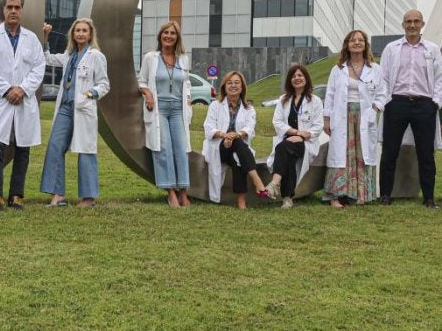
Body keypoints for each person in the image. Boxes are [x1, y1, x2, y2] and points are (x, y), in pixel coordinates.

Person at [0, 0, 45, 212]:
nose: (13, 11)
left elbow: (38, 67)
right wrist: (7, 90)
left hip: (23, 101)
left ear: (22, 10)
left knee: (22, 149)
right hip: (1, 101)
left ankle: (16, 195)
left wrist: (23, 89)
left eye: (17, 7)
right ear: (3, 10)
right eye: (9, 7)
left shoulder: (31, 39)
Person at [377, 9, 442, 208]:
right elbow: (384, 77)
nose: (412, 25)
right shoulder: (392, 48)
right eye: (408, 21)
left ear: (422, 24)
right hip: (396, 102)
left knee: (426, 153)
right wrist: (387, 100)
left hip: (424, 105)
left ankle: (429, 197)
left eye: (416, 21)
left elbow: (439, 79)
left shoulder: (432, 49)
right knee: (390, 152)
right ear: (403, 25)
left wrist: (436, 103)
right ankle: (385, 195)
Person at [40, 18, 110, 207]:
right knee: (55, 145)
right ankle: (58, 195)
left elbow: (104, 84)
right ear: (72, 34)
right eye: (77, 30)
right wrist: (45, 37)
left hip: (83, 107)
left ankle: (88, 197)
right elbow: (48, 59)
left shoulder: (96, 56)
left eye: (84, 31)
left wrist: (91, 93)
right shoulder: (69, 56)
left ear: (90, 34)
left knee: (86, 149)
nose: (80, 33)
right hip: (65, 107)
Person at [321, 30, 385, 208]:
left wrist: (374, 109)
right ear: (347, 45)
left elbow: (382, 94)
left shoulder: (375, 69)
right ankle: (336, 195)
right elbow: (330, 95)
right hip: (342, 116)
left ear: (365, 44)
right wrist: (327, 119)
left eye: (360, 40)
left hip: (365, 117)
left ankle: (361, 193)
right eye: (353, 40)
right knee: (342, 154)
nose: (357, 43)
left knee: (361, 154)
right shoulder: (338, 69)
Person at [138, 21, 193, 207]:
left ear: (177, 38)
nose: (169, 36)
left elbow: (186, 83)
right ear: (160, 36)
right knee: (164, 149)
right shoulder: (151, 58)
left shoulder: (183, 59)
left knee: (181, 149)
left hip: (178, 110)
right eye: (165, 33)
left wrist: (188, 98)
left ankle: (184, 192)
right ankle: (170, 192)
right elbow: (142, 81)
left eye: (173, 33)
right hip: (158, 109)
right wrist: (148, 94)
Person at [205, 70, 271, 209]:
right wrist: (225, 136)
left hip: (237, 146)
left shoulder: (249, 109)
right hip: (219, 147)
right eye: (229, 83)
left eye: (236, 83)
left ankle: (241, 200)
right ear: (224, 87)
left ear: (242, 87)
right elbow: (209, 127)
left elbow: (249, 128)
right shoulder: (215, 106)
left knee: (238, 159)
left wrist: (235, 136)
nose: (233, 85)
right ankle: (256, 180)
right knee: (238, 146)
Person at [265, 64, 324, 209]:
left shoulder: (315, 101)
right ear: (289, 80)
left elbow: (318, 126)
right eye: (293, 76)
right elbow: (277, 122)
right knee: (287, 156)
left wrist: (303, 137)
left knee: (283, 148)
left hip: (306, 142)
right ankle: (286, 198)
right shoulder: (283, 99)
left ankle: (274, 183)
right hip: (289, 139)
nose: (297, 78)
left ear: (306, 79)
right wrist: (296, 133)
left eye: (300, 75)